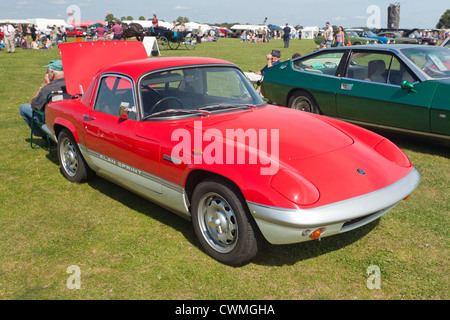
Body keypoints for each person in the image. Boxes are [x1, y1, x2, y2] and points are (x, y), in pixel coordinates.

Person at [19, 60, 70, 138]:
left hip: (51, 124)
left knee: (24, 107)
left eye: (47, 72)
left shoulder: (47, 89)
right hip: (67, 122)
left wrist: (43, 85)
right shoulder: (73, 87)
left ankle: (43, 135)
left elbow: (33, 104)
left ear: (52, 73)